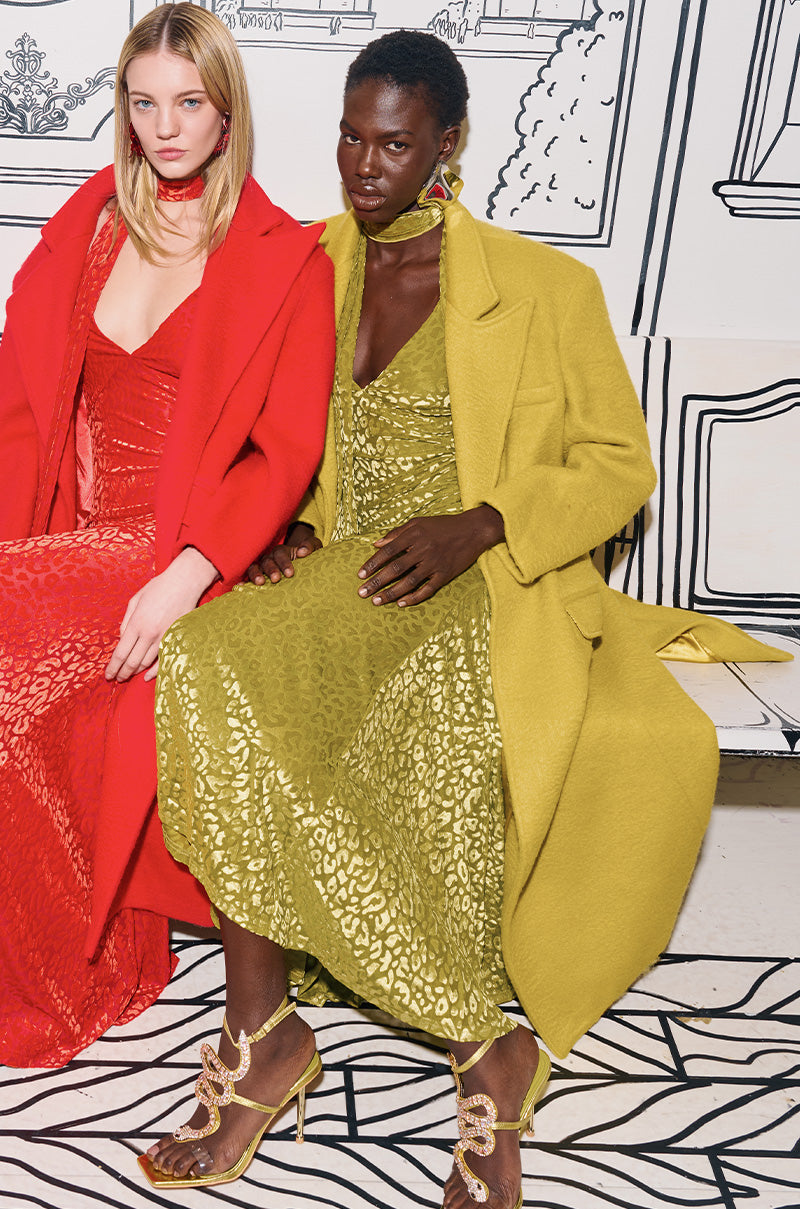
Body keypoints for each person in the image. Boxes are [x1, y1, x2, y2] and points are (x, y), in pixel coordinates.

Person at [141, 30, 787, 1208]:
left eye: (393, 144)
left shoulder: (542, 288)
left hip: (482, 581)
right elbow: (260, 436)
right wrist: (280, 525)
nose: (363, 165)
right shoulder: (304, 264)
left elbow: (615, 465)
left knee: (428, 714)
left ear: (447, 144)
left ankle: (458, 1045)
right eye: (350, 136)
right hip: (345, 576)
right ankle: (270, 1034)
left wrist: (484, 523)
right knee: (201, 656)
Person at [0, 2, 334, 1069]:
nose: (166, 127)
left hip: (182, 555)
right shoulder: (90, 227)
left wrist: (187, 573)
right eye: (144, 104)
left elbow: (284, 452)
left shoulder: (285, 257)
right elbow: (22, 407)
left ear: (228, 111)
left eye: (189, 103)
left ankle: (55, 976)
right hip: (71, 541)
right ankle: (76, 945)